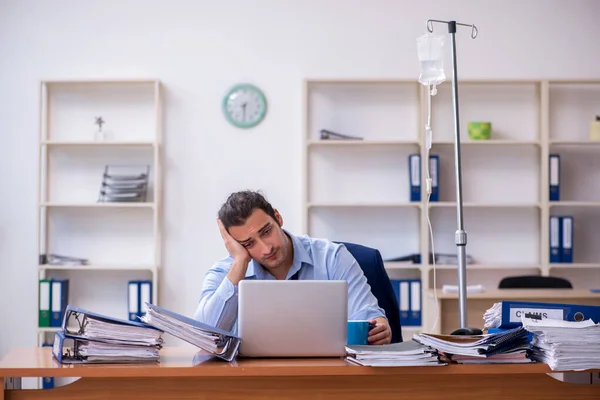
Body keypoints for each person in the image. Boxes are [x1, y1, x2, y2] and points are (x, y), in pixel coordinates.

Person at [193, 190, 392, 345]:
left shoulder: (332, 257)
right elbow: (204, 337)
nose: (266, 248)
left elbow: (366, 317)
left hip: (328, 377)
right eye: (248, 244)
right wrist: (239, 263)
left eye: (266, 231)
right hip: (254, 382)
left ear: (278, 218)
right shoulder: (226, 272)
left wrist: (377, 328)